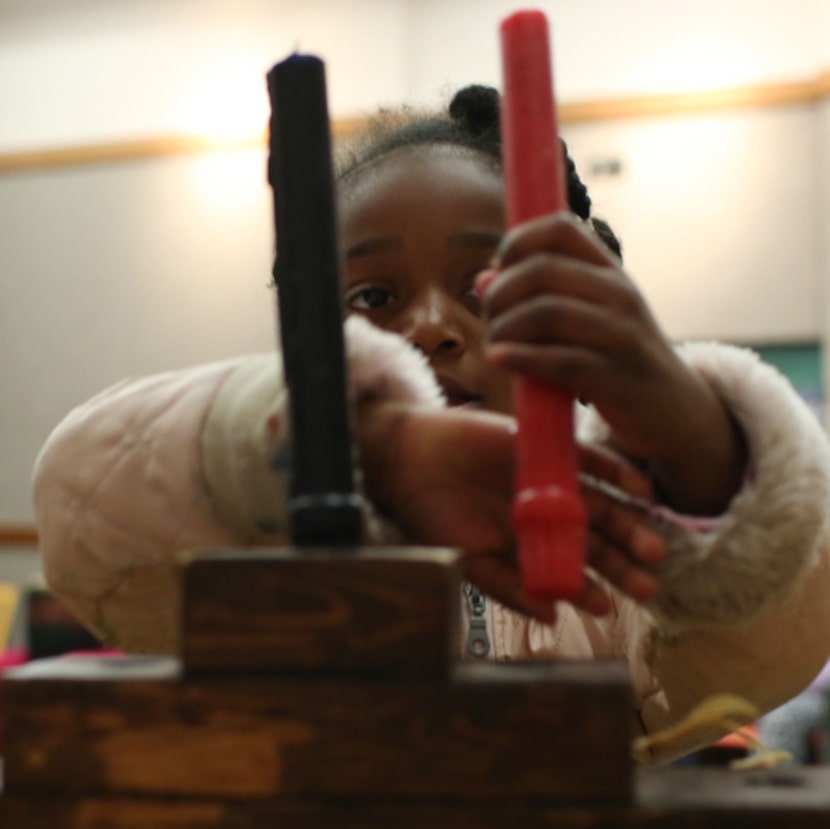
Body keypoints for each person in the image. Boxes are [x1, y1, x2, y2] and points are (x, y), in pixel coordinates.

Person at [32, 85, 830, 763]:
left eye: (484, 284)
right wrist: (366, 448)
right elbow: (83, 511)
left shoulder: (608, 534)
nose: (433, 328)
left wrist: (704, 454)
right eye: (374, 297)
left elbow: (771, 639)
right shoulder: (255, 530)